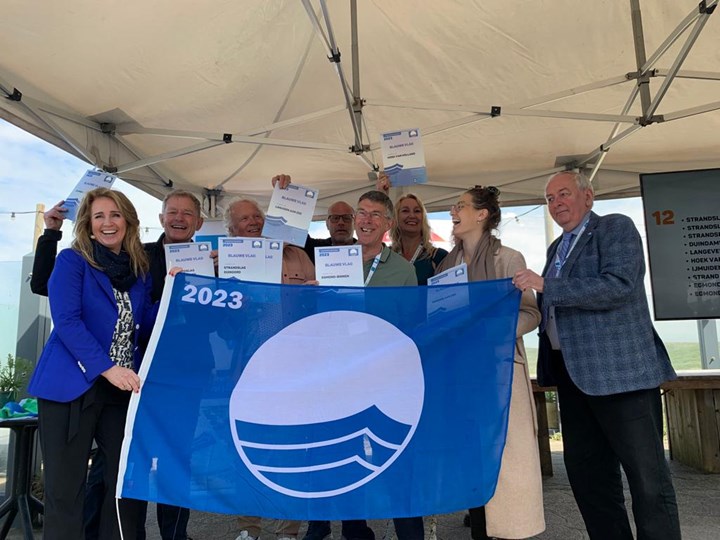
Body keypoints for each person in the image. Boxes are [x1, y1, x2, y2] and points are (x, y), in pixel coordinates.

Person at [513, 170, 680, 540]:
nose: (556, 204)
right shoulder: (557, 248)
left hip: (621, 375)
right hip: (572, 377)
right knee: (589, 479)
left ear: (588, 197)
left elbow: (619, 286)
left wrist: (545, 285)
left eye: (564, 194)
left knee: (648, 480)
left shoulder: (615, 228)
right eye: (550, 199)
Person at [31, 190, 206, 540]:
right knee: (66, 491)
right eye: (99, 216)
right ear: (89, 225)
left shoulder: (138, 272)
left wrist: (175, 288)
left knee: (122, 484)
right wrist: (107, 368)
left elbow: (144, 324)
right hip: (72, 387)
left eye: (115, 215)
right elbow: (67, 322)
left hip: (119, 390)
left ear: (128, 222)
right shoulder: (72, 261)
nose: (108, 223)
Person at [435, 186, 545, 540]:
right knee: (473, 458)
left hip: (500, 373)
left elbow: (531, 312)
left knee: (508, 461)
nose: (454, 211)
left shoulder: (508, 259)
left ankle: (511, 531)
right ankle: (480, 531)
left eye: (461, 206)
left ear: (482, 214)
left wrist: (493, 333)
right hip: (462, 375)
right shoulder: (446, 264)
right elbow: (440, 317)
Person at [224, 196, 312, 540]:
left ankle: (288, 530)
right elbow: (218, 325)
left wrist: (314, 295)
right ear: (232, 229)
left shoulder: (298, 256)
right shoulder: (229, 262)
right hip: (249, 373)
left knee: (293, 451)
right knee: (249, 449)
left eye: (257, 216)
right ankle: (249, 528)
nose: (253, 222)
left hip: (296, 372)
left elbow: (321, 310)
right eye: (244, 219)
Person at [376, 174, 448, 284]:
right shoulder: (387, 256)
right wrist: (381, 196)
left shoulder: (438, 257)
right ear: (396, 218)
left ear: (423, 218)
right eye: (405, 211)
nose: (412, 215)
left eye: (417, 211)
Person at [270, 174, 356, 263]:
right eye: (335, 218)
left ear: (355, 222)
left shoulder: (365, 250)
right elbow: (291, 231)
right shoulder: (314, 248)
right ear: (327, 224)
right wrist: (285, 192)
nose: (340, 222)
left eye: (347, 218)